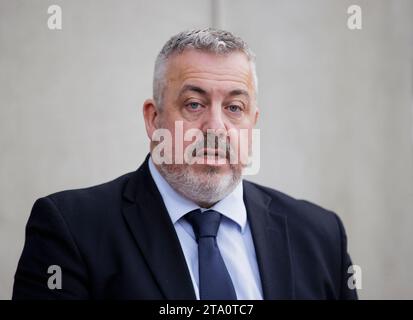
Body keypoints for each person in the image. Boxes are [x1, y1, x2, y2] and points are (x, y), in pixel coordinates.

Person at [13, 28, 358, 300]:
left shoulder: (321, 235)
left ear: (252, 123)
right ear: (153, 118)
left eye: (234, 108)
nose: (216, 127)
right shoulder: (71, 229)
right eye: (194, 104)